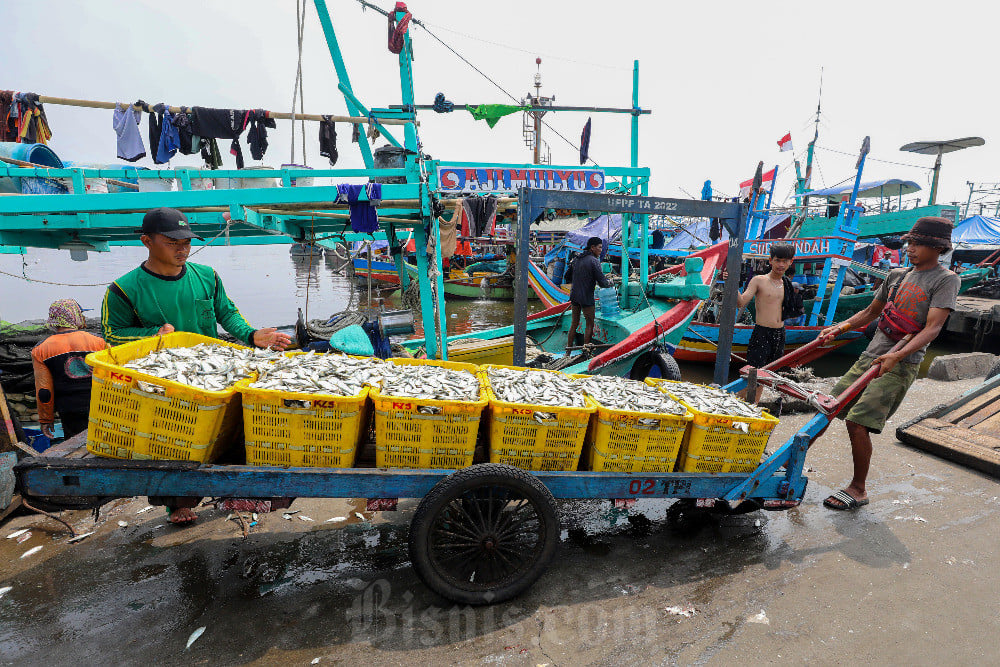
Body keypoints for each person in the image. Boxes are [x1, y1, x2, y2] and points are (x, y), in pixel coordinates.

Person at [101, 207, 291, 525]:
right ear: (146, 241)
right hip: (164, 382)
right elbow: (111, 335)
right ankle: (176, 503)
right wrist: (153, 335)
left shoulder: (206, 276)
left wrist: (251, 334)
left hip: (211, 373)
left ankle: (239, 492)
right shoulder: (123, 289)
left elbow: (226, 313)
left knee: (227, 434)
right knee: (172, 442)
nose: (182, 249)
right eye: (172, 242)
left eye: (187, 241)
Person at [818, 216, 960, 511]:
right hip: (870, 355)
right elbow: (871, 311)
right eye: (910, 242)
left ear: (938, 248)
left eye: (919, 244)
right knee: (827, 407)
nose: (911, 248)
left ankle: (858, 488)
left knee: (858, 422)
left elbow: (933, 328)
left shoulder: (946, 279)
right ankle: (788, 461)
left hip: (900, 364)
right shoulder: (896, 275)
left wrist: (897, 356)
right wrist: (839, 328)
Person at [31, 299, 106, 439]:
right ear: (75, 316)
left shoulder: (40, 350)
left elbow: (44, 391)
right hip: (101, 403)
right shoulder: (99, 341)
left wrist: (46, 419)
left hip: (69, 409)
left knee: (76, 448)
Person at [737, 243, 795, 401]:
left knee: (766, 376)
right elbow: (741, 302)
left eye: (785, 261)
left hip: (780, 334)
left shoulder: (787, 284)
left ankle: (753, 405)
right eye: (778, 260)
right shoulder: (759, 280)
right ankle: (740, 404)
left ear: (791, 262)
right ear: (770, 260)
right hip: (762, 332)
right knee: (752, 375)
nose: (781, 264)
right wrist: (733, 283)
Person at [566, 236, 612, 349]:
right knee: (589, 323)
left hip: (575, 296)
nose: (601, 250)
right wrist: (611, 282)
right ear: (592, 247)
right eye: (599, 247)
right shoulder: (594, 261)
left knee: (574, 324)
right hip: (586, 297)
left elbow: (567, 276)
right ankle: (585, 351)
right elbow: (603, 283)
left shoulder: (576, 259)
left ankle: (568, 351)